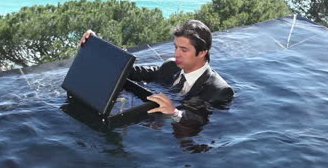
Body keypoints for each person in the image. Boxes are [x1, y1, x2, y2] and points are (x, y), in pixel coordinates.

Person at [80, 20, 234, 127]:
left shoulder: (220, 91)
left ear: (202, 52)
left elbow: (205, 124)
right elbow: (130, 71)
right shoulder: (170, 66)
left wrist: (174, 113)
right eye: (175, 47)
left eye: (184, 50)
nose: (177, 54)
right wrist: (97, 46)